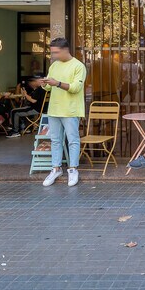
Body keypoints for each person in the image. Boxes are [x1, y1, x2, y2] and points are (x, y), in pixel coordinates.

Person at [40, 38, 87, 188]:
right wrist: (45, 85)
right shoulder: (54, 65)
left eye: (56, 52)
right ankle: (56, 168)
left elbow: (75, 88)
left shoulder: (78, 66)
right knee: (55, 140)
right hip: (54, 109)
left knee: (73, 140)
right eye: (52, 52)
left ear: (65, 50)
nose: (53, 55)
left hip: (71, 109)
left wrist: (57, 83)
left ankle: (73, 169)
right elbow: (49, 88)